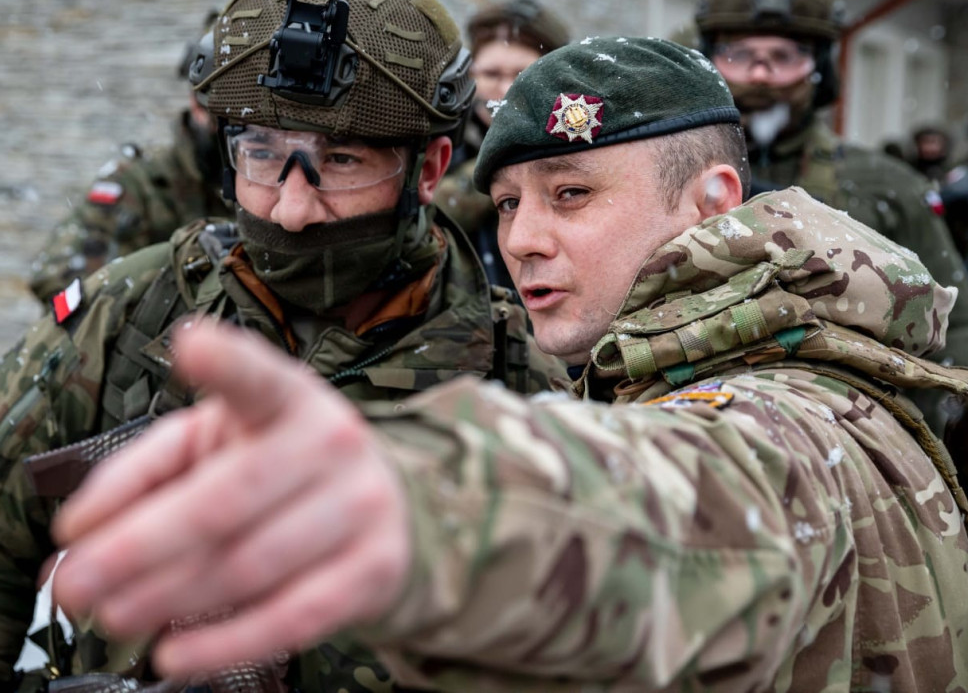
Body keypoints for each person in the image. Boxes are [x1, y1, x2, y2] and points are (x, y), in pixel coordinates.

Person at [47, 37, 968, 690]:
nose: (523, 239)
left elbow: (691, 505)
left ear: (709, 200)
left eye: (572, 195)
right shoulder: (798, 362)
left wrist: (423, 505)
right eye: (508, 202)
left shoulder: (776, 411)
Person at [0, 0, 566, 692]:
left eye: (339, 161)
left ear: (429, 170)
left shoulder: (516, 384)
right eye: (262, 155)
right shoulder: (131, 313)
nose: (291, 209)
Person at [694, 0, 968, 427]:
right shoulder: (670, 181)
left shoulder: (887, 186)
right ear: (709, 59)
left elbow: (956, 324)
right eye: (740, 54)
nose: (762, 75)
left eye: (784, 56)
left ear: (819, 67)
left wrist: (918, 421)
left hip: (849, 442)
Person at [27, 12, 234, 304]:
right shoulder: (142, 183)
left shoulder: (281, 176)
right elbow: (61, 282)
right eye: (220, 113)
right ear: (193, 101)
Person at [434, 0, 569, 292]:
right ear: (470, 76)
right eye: (492, 74)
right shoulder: (440, 137)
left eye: (523, 75)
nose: (507, 89)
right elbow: (434, 217)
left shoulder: (579, 139)